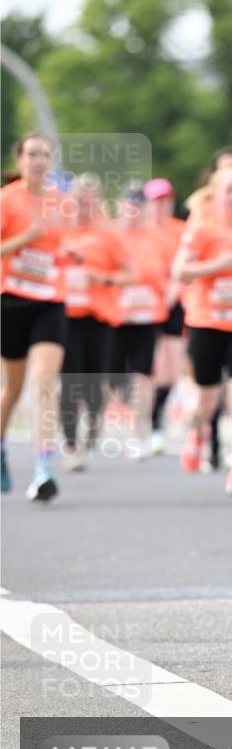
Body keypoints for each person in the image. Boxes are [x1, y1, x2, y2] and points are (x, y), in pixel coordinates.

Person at [173, 168, 232, 493]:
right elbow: (179, 270)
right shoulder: (202, 225)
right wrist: (218, 266)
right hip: (206, 322)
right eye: (229, 191)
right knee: (207, 398)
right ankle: (197, 432)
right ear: (216, 193)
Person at [1, 133, 70, 500]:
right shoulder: (7, 200)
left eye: (45, 154)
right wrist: (26, 236)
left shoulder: (61, 203)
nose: (39, 160)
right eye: (32, 154)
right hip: (11, 301)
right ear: (20, 160)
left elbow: (64, 243)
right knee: (12, 389)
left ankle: (44, 466)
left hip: (50, 301)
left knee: (44, 381)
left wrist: (71, 255)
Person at [60, 173, 134, 470]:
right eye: (79, 201)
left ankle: (93, 416)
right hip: (63, 316)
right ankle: (71, 445)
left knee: (94, 380)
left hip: (99, 318)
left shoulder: (109, 233)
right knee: (69, 381)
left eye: (90, 202)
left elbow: (130, 275)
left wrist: (101, 277)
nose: (84, 207)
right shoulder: (59, 230)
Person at [107, 183, 170, 458]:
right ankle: (103, 422)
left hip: (146, 316)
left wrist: (166, 297)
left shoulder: (156, 238)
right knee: (112, 378)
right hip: (114, 316)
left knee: (142, 376)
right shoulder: (109, 235)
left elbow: (170, 274)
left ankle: (139, 433)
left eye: (139, 205)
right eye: (130, 204)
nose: (134, 211)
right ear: (121, 206)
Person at [143, 177, 186, 455]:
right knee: (153, 368)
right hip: (146, 306)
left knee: (171, 372)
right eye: (156, 201)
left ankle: (156, 417)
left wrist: (175, 289)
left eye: (166, 200)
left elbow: (187, 264)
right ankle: (151, 426)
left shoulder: (181, 230)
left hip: (174, 304)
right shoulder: (140, 231)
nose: (162, 206)